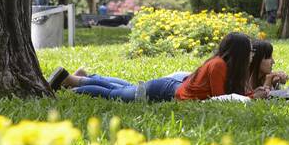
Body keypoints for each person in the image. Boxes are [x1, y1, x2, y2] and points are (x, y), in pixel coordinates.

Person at [47, 33, 269, 101]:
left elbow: (227, 95)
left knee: (125, 89)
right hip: (164, 90)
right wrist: (251, 97)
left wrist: (251, 93)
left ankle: (78, 80)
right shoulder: (219, 65)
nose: (251, 56)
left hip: (170, 87)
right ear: (239, 53)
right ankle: (74, 85)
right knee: (116, 94)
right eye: (249, 51)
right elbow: (221, 100)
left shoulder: (221, 64)